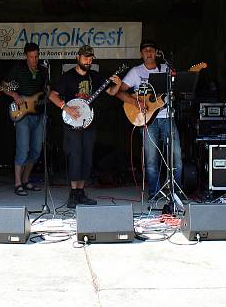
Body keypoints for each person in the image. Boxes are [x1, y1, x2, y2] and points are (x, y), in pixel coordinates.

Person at [49, 45, 122, 208]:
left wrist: (118, 84)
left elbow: (111, 92)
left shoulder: (94, 76)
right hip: (72, 123)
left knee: (86, 157)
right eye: (85, 58)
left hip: (89, 123)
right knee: (75, 157)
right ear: (78, 57)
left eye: (90, 58)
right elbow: (52, 95)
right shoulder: (67, 77)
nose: (88, 61)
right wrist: (66, 108)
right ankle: (73, 194)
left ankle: (81, 192)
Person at [117, 40, 183, 200]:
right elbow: (119, 92)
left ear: (156, 52)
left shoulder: (166, 69)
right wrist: (136, 102)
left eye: (151, 50)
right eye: (145, 50)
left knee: (176, 155)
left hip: (167, 116)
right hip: (147, 119)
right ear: (141, 54)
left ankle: (176, 192)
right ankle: (154, 193)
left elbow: (178, 89)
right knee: (151, 158)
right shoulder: (135, 72)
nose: (149, 53)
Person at [4, 42, 48, 196]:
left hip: (39, 114)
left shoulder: (43, 70)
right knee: (23, 149)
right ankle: (17, 183)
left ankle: (25, 179)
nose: (34, 59)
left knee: (36, 150)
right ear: (25, 56)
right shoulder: (18, 69)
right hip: (22, 115)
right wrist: (15, 95)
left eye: (36, 56)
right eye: (31, 57)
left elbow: (45, 91)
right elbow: (4, 86)